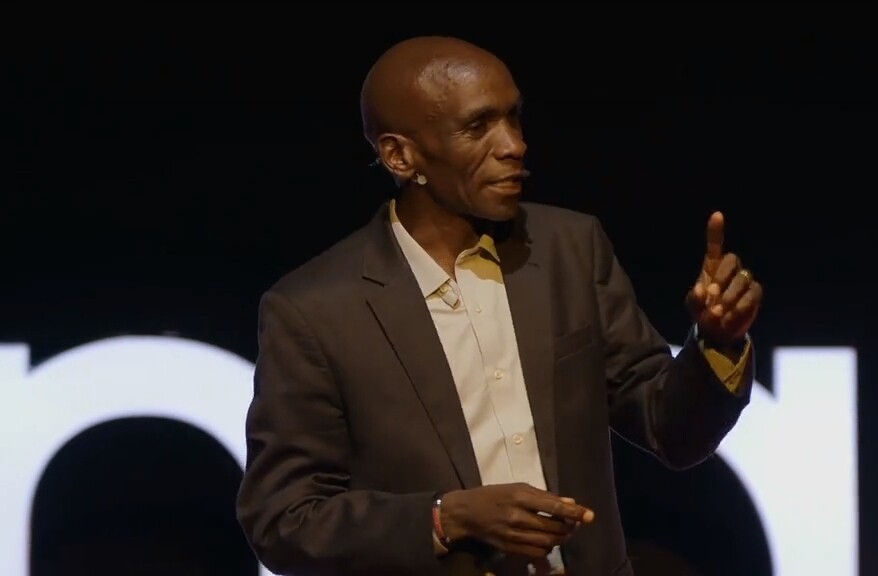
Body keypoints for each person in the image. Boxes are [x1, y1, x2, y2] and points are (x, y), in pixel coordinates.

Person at [236, 35, 763, 576]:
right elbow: (284, 520)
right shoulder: (315, 310)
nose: (514, 145)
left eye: (514, 118)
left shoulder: (569, 251)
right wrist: (445, 518)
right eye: (478, 127)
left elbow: (668, 428)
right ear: (400, 155)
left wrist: (718, 344)